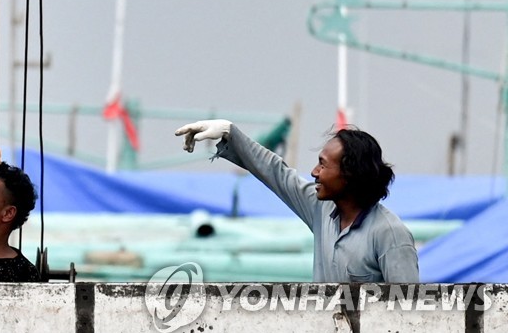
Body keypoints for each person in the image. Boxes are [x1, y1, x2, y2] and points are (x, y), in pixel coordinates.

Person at [174, 120, 419, 283]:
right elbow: (276, 173)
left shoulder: (390, 235)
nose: (314, 172)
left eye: (323, 165)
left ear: (349, 175)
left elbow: (408, 315)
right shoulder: (321, 210)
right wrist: (231, 133)